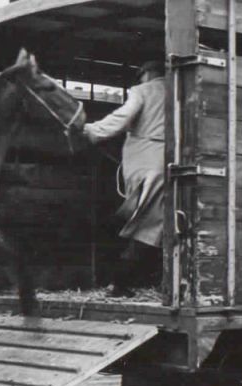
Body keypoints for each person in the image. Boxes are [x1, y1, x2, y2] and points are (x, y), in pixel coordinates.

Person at [83, 60, 166, 296]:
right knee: (155, 223)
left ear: (147, 73)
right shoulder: (181, 90)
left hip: (145, 164)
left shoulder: (143, 90)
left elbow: (122, 118)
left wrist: (89, 131)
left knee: (143, 224)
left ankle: (119, 282)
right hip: (168, 162)